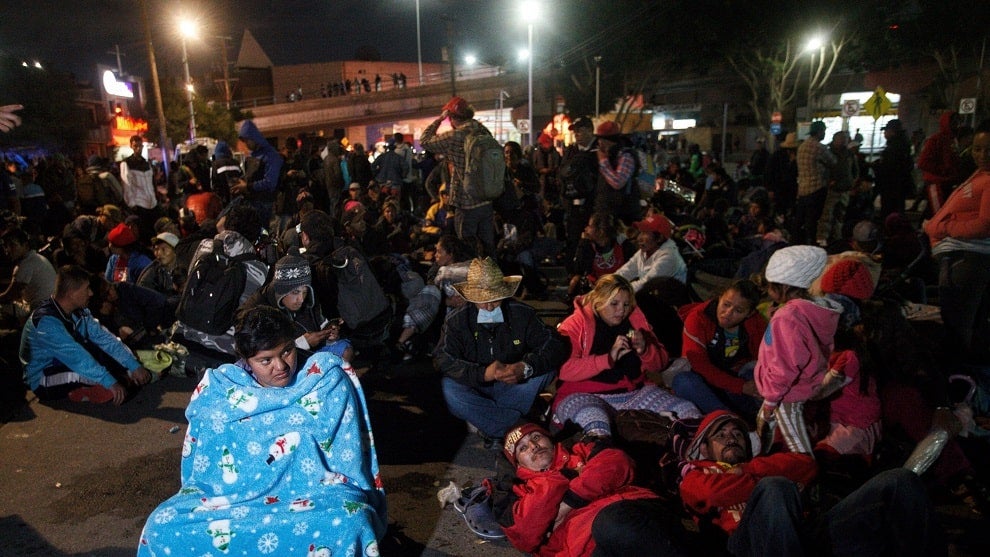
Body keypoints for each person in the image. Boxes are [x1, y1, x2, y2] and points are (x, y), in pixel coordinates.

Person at [136, 306, 386, 556]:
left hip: (315, 496)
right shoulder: (222, 391)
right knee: (160, 527)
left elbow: (346, 459)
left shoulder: (325, 380)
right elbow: (206, 470)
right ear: (246, 359)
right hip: (230, 501)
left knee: (350, 522)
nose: (280, 366)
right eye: (265, 360)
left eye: (287, 351)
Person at [679, 410, 946, 557]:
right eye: (721, 435)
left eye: (738, 433)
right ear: (704, 448)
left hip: (806, 535)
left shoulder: (761, 464)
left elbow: (806, 466)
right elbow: (710, 494)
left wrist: (747, 469)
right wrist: (772, 482)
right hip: (748, 543)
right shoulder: (696, 473)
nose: (731, 438)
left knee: (899, 480)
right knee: (776, 488)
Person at [494, 422, 686, 557]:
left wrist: (567, 502)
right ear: (518, 464)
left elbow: (618, 463)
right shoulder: (519, 490)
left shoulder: (581, 449)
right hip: (579, 548)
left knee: (611, 524)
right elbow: (524, 534)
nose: (534, 446)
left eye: (537, 437)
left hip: (628, 515)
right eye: (523, 448)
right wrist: (564, 477)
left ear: (550, 440)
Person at [435, 257, 567, 445]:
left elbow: (553, 345)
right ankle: (517, 426)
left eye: (494, 300)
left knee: (546, 371)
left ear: (504, 294)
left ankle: (490, 424)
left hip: (515, 384)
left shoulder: (522, 313)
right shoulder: (457, 320)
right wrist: (482, 374)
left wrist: (525, 367)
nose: (489, 306)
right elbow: (443, 358)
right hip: (476, 386)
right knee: (450, 388)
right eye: (482, 301)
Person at [554, 274, 700, 438]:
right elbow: (563, 369)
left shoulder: (635, 321)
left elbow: (660, 364)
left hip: (633, 392)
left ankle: (695, 461)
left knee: (688, 412)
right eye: (614, 304)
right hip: (583, 395)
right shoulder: (576, 324)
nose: (621, 310)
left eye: (626, 304)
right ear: (598, 301)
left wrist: (646, 349)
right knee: (595, 423)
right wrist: (607, 359)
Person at [20, 265, 151, 405]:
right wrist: (111, 382)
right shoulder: (46, 322)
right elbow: (76, 357)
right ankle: (91, 389)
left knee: (107, 358)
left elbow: (104, 338)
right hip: (43, 377)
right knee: (110, 381)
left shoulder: (77, 310)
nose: (91, 293)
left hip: (63, 363)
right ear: (72, 293)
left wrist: (133, 365)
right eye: (86, 289)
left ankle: (92, 389)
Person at [754, 245, 840, 455]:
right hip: (805, 383)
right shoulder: (816, 309)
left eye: (770, 286)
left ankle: (805, 481)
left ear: (782, 286)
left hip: (787, 395)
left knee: (797, 447)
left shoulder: (787, 317)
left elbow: (785, 367)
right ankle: (763, 462)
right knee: (764, 430)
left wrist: (771, 401)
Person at [923, 119, 990, 365]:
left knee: (957, 328)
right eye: (977, 148)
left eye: (988, 150)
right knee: (970, 326)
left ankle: (958, 385)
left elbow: (985, 225)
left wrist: (940, 228)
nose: (982, 155)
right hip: (963, 258)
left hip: (968, 260)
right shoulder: (980, 175)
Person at [675, 279, 766, 416]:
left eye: (738, 310)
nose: (728, 313)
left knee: (760, 374)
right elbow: (700, 365)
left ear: (749, 313)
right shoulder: (698, 318)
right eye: (726, 304)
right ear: (719, 298)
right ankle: (729, 421)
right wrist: (740, 386)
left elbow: (766, 357)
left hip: (739, 379)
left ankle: (764, 419)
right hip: (707, 383)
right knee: (683, 382)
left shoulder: (756, 322)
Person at [421, 96, 498, 255]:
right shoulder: (483, 130)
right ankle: (493, 278)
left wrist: (439, 120)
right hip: (487, 199)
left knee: (467, 249)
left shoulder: (455, 136)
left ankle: (472, 278)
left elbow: (425, 141)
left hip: (466, 202)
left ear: (452, 117)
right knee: (488, 249)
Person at [240, 253, 339, 355]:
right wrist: (302, 344)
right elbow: (261, 357)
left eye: (305, 292)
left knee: (345, 349)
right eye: (295, 292)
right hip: (277, 366)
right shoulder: (255, 313)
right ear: (281, 292)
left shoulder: (308, 300)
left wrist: (328, 335)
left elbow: (319, 322)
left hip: (310, 355)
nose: (301, 299)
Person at [559, 116, 599, 264]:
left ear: (590, 130)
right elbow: (562, 173)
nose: (577, 135)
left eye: (580, 131)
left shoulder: (599, 149)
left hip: (593, 204)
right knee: (573, 238)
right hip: (573, 204)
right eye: (575, 132)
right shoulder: (571, 151)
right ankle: (573, 270)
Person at [614, 213, 687, 291]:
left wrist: (615, 291)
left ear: (659, 238)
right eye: (641, 232)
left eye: (645, 233)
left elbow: (645, 284)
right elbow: (627, 270)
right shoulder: (645, 251)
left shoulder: (669, 257)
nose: (639, 238)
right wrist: (608, 282)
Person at [230, 119, 283, 226]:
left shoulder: (271, 156)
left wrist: (247, 186)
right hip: (252, 203)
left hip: (264, 205)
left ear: (254, 138)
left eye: (247, 140)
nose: (246, 144)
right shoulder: (253, 155)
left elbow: (270, 183)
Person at [0, 227, 56, 324]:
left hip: (41, 311)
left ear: (25, 245)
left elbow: (10, 295)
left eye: (12, 245)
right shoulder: (36, 258)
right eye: (5, 246)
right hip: (51, 306)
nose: (7, 250)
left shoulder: (25, 264)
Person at [793, 121, 836, 245]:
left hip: (803, 188)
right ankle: (811, 243)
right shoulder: (819, 147)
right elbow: (833, 161)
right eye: (824, 131)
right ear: (819, 132)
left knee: (800, 218)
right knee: (813, 220)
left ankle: (797, 242)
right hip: (816, 188)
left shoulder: (802, 147)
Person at [567, 212, 626, 301]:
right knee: (575, 281)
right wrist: (583, 243)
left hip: (617, 290)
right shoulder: (588, 246)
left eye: (589, 226)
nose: (585, 229)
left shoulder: (623, 246)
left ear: (601, 231)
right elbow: (579, 269)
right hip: (594, 289)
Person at [593, 121, 641, 224]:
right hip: (607, 210)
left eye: (600, 139)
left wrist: (603, 161)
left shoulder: (626, 156)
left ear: (606, 141)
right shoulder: (609, 155)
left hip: (623, 214)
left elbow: (617, 182)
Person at [917, 111, 963, 216]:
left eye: (957, 122)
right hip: (936, 183)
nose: (956, 125)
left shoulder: (953, 140)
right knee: (938, 214)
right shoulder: (935, 140)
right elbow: (922, 163)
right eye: (953, 122)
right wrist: (943, 170)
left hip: (947, 182)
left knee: (939, 212)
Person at [816, 131, 858, 246]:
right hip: (832, 190)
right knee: (827, 216)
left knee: (840, 215)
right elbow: (822, 170)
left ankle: (837, 238)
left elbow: (854, 170)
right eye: (841, 139)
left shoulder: (849, 154)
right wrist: (828, 182)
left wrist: (852, 182)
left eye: (845, 139)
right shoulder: (828, 153)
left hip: (845, 189)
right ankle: (822, 238)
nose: (844, 141)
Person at [873, 118, 915, 220]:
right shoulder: (904, 145)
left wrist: (877, 166)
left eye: (886, 131)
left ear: (892, 132)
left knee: (890, 212)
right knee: (898, 211)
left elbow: (889, 168)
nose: (884, 134)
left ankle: (889, 230)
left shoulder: (894, 147)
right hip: (900, 186)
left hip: (891, 186)